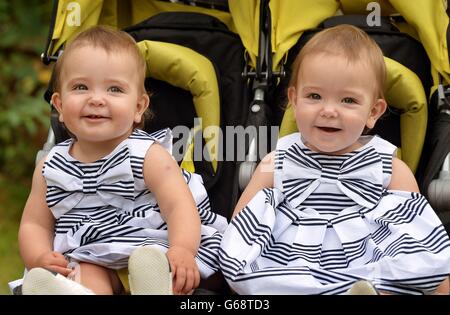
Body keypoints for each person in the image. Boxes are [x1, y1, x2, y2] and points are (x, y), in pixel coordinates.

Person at [219, 24, 450, 295]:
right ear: (294, 100)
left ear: (373, 112)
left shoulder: (389, 168)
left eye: (348, 100)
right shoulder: (277, 161)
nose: (329, 110)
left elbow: (417, 234)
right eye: (314, 96)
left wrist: (436, 281)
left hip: (364, 262)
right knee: (245, 266)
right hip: (291, 262)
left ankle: (369, 289)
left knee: (422, 265)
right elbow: (240, 228)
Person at [18, 25, 227, 295]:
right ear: (59, 105)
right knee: (84, 270)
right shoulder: (51, 166)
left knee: (156, 264)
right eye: (81, 87)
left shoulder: (147, 155)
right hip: (92, 251)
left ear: (139, 107)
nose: (96, 99)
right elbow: (35, 223)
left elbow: (179, 207)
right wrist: (38, 257)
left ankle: (154, 286)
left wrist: (182, 249)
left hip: (153, 244)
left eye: (114, 89)